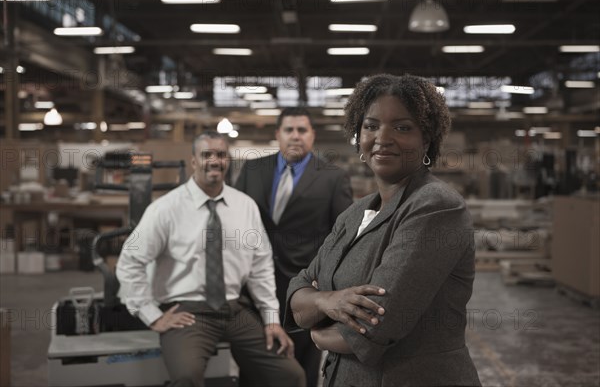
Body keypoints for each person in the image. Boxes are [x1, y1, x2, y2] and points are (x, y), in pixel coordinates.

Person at [286, 74, 481, 387]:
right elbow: (298, 288)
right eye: (371, 125)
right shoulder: (353, 214)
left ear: (426, 140)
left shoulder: (436, 206)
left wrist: (318, 335)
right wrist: (327, 301)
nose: (383, 137)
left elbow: (377, 325)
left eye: (402, 127)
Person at [116, 131, 305, 387]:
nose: (214, 161)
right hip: (188, 312)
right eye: (207, 154)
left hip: (235, 309)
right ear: (194, 161)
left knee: (290, 375)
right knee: (186, 377)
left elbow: (260, 268)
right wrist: (152, 315)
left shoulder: (244, 206)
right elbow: (130, 261)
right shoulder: (166, 209)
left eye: (221, 154)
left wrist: (271, 320)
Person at [235, 107, 353, 387]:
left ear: (312, 135)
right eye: (289, 130)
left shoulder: (332, 178)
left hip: (303, 290)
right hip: (252, 286)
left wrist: (325, 282)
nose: (295, 136)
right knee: (253, 364)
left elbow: (342, 237)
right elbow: (235, 220)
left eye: (302, 130)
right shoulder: (253, 170)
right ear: (278, 134)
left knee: (301, 367)